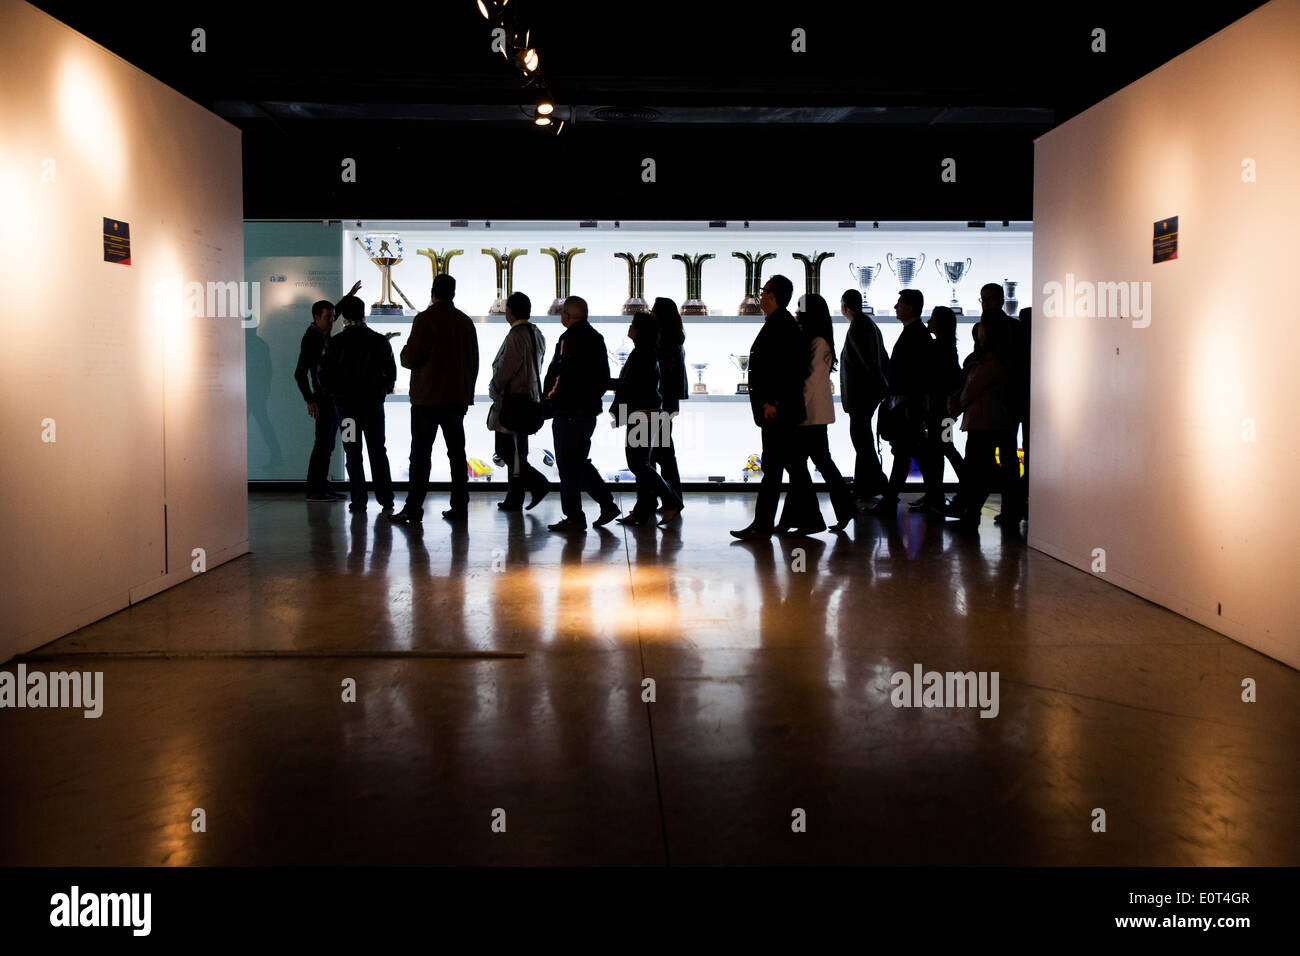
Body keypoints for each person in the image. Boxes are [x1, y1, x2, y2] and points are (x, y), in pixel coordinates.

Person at [390, 273, 479, 525]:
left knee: (420, 454)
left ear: (433, 292)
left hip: (426, 399)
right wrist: (466, 394)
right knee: (457, 454)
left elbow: (410, 357)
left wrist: (404, 353)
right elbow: (473, 361)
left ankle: (414, 508)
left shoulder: (425, 319)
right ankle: (460, 506)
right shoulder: (464, 322)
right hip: (455, 399)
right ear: (453, 293)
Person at [730, 274, 811, 541]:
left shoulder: (782, 325)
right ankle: (803, 520)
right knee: (785, 468)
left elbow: (789, 369)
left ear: (773, 295)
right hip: (778, 410)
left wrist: (773, 402)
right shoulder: (780, 323)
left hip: (779, 411)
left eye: (764, 291)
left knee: (777, 469)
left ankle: (764, 525)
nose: (760, 296)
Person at [776, 294, 855, 533]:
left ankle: (797, 519)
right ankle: (839, 511)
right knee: (811, 465)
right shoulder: (818, 340)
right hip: (813, 414)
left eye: (800, 309)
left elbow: (810, 383)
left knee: (803, 466)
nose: (797, 312)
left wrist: (793, 410)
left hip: (809, 415)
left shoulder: (817, 342)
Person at [541, 295, 620, 532]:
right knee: (578, 462)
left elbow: (560, 376)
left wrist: (547, 401)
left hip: (567, 411)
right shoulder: (597, 338)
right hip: (588, 411)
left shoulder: (568, 338)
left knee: (567, 466)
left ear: (566, 316)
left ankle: (576, 516)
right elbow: (603, 377)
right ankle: (605, 504)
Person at [865, 288, 943, 516]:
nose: (895, 307)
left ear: (909, 307)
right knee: (910, 452)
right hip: (908, 404)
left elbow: (916, 374)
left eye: (899, 303)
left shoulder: (915, 334)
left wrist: (910, 405)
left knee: (906, 452)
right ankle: (930, 496)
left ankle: (892, 501)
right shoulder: (915, 332)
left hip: (908, 405)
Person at [320, 294, 396, 513]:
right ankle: (385, 497)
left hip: (346, 409)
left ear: (344, 316)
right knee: (377, 451)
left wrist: (336, 395)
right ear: (364, 313)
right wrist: (381, 391)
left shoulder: (335, 343)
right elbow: (390, 373)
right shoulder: (379, 341)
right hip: (372, 407)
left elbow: (323, 374)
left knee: (352, 452)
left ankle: (359, 498)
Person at [608, 311, 683, 526]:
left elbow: (631, 386)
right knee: (642, 464)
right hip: (645, 413)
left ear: (640, 330)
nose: (629, 328)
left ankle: (671, 500)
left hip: (641, 414)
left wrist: (602, 384)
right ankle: (650, 507)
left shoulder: (642, 353)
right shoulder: (646, 352)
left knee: (638, 464)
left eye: (632, 324)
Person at [294, 280, 362, 501]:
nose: (333, 321)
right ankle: (315, 490)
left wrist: (349, 296)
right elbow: (300, 372)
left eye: (333, 317)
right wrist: (310, 399)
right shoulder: (312, 338)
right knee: (323, 445)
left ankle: (321, 486)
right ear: (316, 317)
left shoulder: (320, 332)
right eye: (328, 317)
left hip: (328, 398)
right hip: (322, 399)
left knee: (327, 444)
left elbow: (337, 308)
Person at [942, 317, 1013, 527]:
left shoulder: (990, 362)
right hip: (984, 419)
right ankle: (970, 513)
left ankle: (970, 514)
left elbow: (972, 388)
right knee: (979, 469)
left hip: (983, 420)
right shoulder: (992, 360)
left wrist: (956, 405)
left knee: (978, 469)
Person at [487, 291, 551, 512]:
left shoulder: (516, 335)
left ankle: (537, 483)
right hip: (529, 399)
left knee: (505, 449)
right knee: (517, 451)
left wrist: (494, 388)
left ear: (510, 312)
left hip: (513, 401)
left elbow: (507, 368)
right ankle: (515, 497)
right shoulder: (536, 333)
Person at [975, 282, 1023, 524]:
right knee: (1005, 458)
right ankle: (1011, 507)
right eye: (984, 299)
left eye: (991, 298)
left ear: (1002, 300)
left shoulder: (1011, 328)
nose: (987, 303)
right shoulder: (1013, 327)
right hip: (1001, 402)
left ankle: (1008, 508)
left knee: (1000, 458)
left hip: (1003, 402)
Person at [838, 288, 890, 504]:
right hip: (869, 394)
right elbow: (881, 358)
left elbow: (866, 363)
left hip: (862, 395)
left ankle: (874, 483)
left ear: (845, 307)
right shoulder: (868, 325)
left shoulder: (858, 327)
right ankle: (867, 484)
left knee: (861, 440)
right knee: (863, 440)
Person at [914, 304, 965, 511]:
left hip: (939, 410)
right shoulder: (947, 347)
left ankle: (944, 491)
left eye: (932, 318)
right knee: (942, 448)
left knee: (942, 448)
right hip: (943, 411)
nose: (928, 321)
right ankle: (938, 493)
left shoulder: (939, 348)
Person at [650, 297, 688, 507]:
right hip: (667, 404)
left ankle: (668, 498)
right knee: (663, 452)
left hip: (659, 404)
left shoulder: (663, 344)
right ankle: (670, 497)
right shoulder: (675, 342)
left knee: (660, 453)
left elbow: (660, 377)